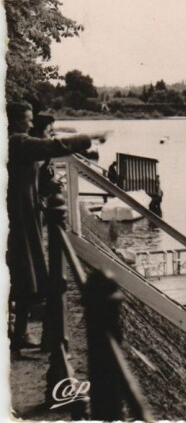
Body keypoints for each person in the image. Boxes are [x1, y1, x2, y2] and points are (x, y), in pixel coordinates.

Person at [6, 102, 109, 352]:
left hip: (24, 217)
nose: (31, 124)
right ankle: (17, 335)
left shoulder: (17, 144)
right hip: (18, 220)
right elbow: (52, 145)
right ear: (15, 121)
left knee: (22, 276)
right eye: (28, 120)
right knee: (21, 275)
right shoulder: (16, 142)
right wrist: (88, 138)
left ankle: (18, 333)